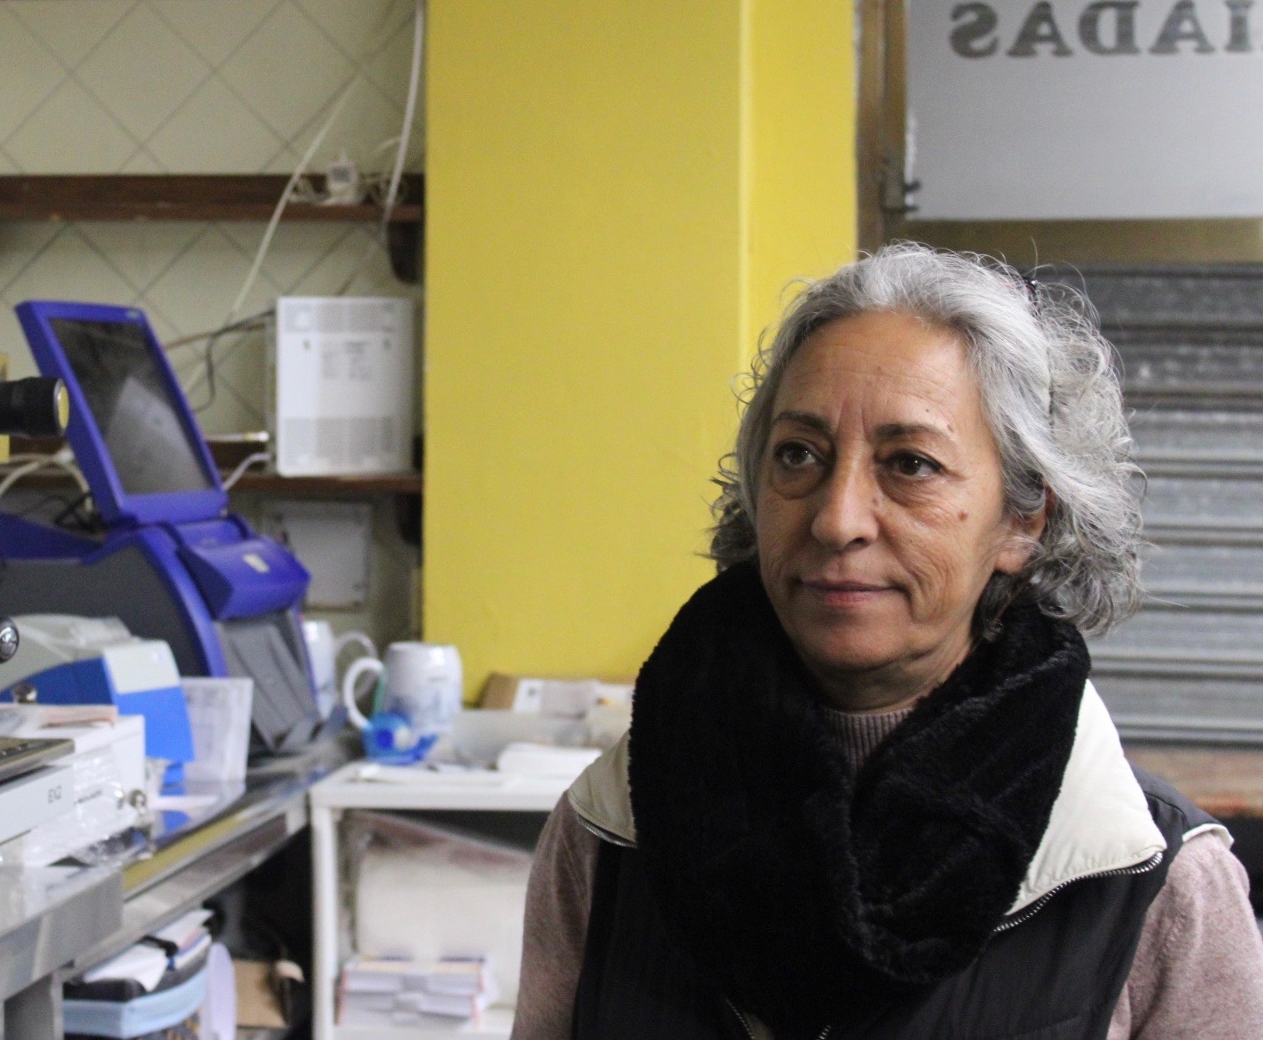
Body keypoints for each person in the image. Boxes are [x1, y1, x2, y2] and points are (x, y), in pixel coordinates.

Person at [515, 244, 1263, 1039]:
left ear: (1023, 520)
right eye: (798, 454)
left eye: (911, 463)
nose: (838, 519)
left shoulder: (1153, 884)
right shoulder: (609, 832)